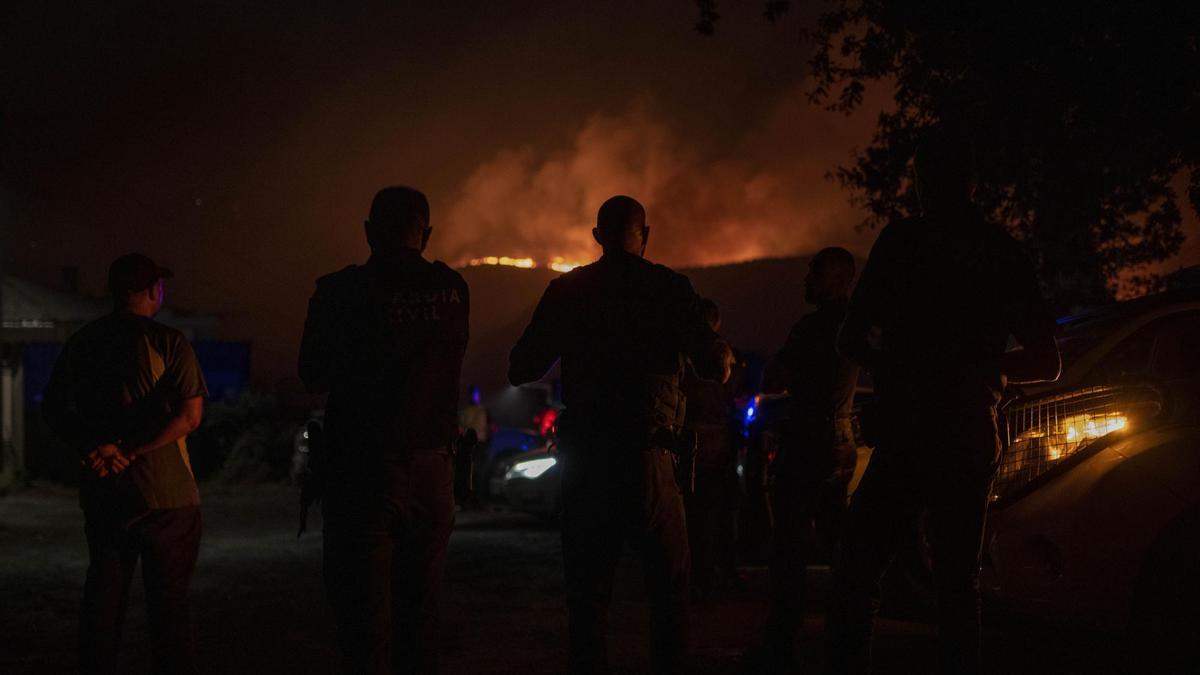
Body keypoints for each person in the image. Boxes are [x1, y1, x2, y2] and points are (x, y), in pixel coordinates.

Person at [829, 125, 1061, 674]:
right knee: (958, 584)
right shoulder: (1000, 253)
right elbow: (1046, 361)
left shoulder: (902, 244)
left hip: (908, 431)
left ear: (919, 184)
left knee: (858, 570)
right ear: (973, 184)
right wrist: (982, 367)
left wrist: (899, 367)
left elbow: (850, 337)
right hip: (966, 434)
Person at [509, 195, 733, 674]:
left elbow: (521, 366)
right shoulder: (670, 289)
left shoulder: (568, 291)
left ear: (597, 238)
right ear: (645, 235)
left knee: (588, 598)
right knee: (669, 593)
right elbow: (715, 363)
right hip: (649, 459)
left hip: (588, 461)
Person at [298, 186, 469, 675]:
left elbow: (313, 374)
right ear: (427, 233)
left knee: (362, 619)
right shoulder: (454, 289)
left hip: (363, 472)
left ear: (369, 231)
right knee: (421, 618)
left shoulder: (337, 292)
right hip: (434, 471)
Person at [43, 253, 207, 675]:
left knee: (103, 606)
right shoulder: (169, 341)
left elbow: (55, 409)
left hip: (105, 492)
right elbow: (189, 417)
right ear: (155, 290)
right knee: (169, 614)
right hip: (166, 497)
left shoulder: (83, 342)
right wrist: (132, 449)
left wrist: (96, 446)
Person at [750, 246, 859, 671]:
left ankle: (782, 643)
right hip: (843, 439)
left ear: (835, 279)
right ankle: (846, 638)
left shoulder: (812, 328)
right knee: (838, 542)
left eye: (814, 273)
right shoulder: (856, 326)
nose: (805, 280)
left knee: (789, 546)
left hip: (809, 441)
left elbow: (775, 375)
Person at [680, 298, 742, 600]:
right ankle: (723, 574)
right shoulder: (723, 354)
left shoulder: (684, 354)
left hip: (692, 445)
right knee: (718, 513)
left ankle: (700, 577)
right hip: (717, 446)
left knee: (696, 515)